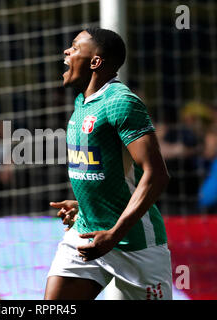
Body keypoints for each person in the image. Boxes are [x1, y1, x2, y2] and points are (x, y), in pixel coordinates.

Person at [45, 28, 172, 300]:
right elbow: (109, 172)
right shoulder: (82, 103)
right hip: (87, 234)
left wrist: (115, 234)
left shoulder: (121, 103)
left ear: (95, 62)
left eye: (75, 47)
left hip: (136, 245)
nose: (67, 51)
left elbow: (157, 175)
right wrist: (85, 206)